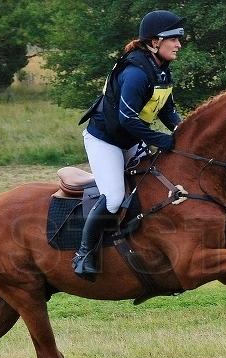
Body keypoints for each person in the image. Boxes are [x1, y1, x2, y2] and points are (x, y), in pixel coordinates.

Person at [73, 9, 184, 280]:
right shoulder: (135, 73)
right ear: (155, 42)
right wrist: (163, 141)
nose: (179, 45)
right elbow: (126, 121)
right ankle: (84, 254)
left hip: (131, 138)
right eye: (174, 39)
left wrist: (183, 134)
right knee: (113, 196)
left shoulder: (161, 71)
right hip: (106, 141)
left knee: (155, 185)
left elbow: (167, 112)